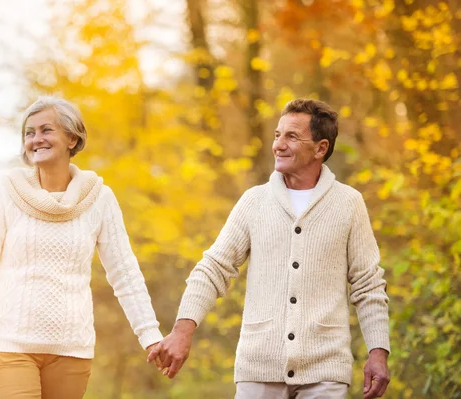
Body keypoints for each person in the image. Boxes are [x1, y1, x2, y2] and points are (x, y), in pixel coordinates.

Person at [149, 98, 390, 399]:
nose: (278, 145)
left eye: (291, 136)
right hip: (258, 369)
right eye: (277, 135)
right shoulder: (254, 202)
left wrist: (378, 352)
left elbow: (368, 284)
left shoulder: (348, 204)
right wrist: (183, 330)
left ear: (320, 148)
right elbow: (213, 268)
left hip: (325, 372)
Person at [0, 96, 163, 399]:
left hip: (71, 348)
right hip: (9, 343)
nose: (36, 139)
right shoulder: (7, 193)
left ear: (72, 138)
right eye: (29, 132)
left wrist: (150, 335)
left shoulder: (99, 199)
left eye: (46, 130)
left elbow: (124, 273)